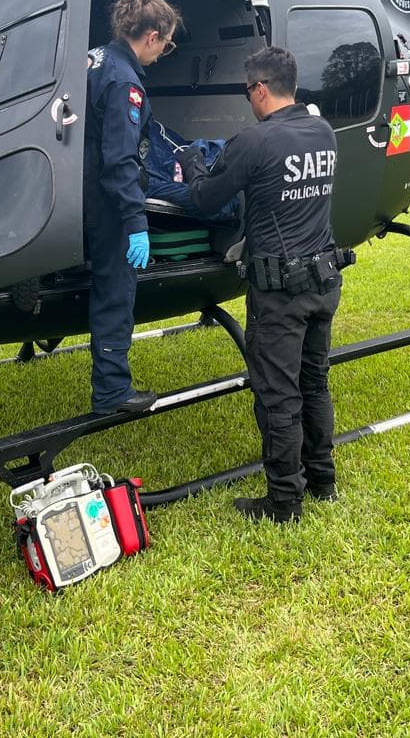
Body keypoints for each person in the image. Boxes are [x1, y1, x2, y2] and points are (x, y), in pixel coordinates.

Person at [176, 47, 342, 523]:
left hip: (279, 294)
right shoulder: (323, 133)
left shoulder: (253, 142)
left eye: (248, 90)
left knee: (278, 396)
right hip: (323, 281)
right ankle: (323, 482)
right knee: (314, 384)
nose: (248, 98)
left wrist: (191, 162)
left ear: (261, 89)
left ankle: (284, 501)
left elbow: (206, 198)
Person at [83, 0, 181, 414]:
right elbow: (120, 159)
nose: (161, 55)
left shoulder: (96, 58)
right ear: (152, 36)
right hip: (106, 201)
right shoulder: (125, 81)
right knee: (115, 290)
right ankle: (112, 392)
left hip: (81, 190)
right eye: (166, 44)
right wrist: (135, 221)